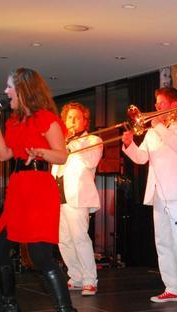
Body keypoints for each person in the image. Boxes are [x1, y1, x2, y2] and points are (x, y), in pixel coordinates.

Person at [0, 67, 79, 312]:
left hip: (39, 188)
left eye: (9, 87)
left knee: (40, 256)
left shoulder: (46, 118)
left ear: (23, 89)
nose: (5, 92)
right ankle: (9, 308)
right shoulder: (13, 122)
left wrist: (42, 152)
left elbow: (62, 156)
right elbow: (4, 155)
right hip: (18, 189)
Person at [121, 87, 177, 306]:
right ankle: (172, 288)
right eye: (156, 103)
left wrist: (159, 126)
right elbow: (141, 158)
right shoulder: (153, 132)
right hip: (157, 192)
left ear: (174, 105)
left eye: (161, 103)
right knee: (162, 242)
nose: (156, 107)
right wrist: (129, 144)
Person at [52, 102, 102, 296]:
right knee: (63, 241)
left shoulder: (93, 140)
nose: (73, 121)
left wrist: (73, 144)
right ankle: (76, 277)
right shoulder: (60, 143)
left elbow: (92, 161)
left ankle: (90, 279)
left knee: (80, 238)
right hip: (59, 195)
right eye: (69, 118)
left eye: (77, 117)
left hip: (78, 196)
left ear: (84, 121)